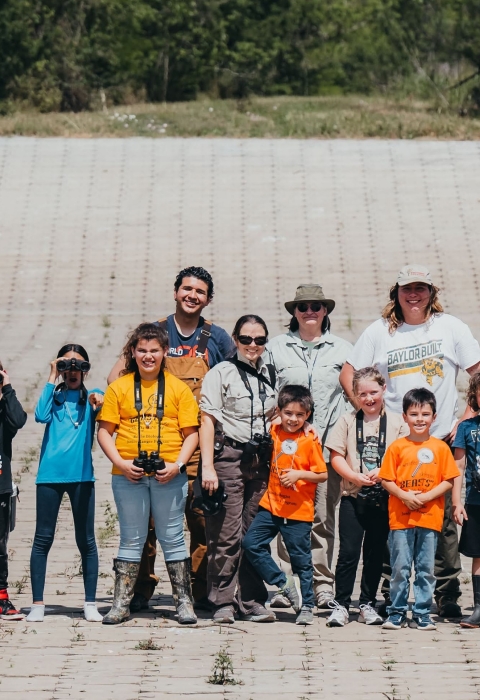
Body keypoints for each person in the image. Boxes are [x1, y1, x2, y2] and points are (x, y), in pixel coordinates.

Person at [340, 264, 480, 617]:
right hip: (396, 442)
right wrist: (369, 410)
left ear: (432, 292)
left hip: (441, 438)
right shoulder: (380, 332)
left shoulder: (450, 327)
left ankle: (446, 594)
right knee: (396, 515)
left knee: (444, 519)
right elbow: (349, 373)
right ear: (396, 293)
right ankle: (393, 592)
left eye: (421, 288)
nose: (414, 294)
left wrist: (466, 417)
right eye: (407, 288)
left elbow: (478, 370)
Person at [107, 266, 234, 611]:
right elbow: (115, 376)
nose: (193, 295)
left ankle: (195, 591)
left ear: (208, 299)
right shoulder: (154, 333)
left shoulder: (218, 338)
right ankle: (140, 589)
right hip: (154, 443)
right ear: (176, 291)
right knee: (145, 524)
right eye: (187, 289)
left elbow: (236, 383)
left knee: (200, 520)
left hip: (198, 445)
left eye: (200, 291)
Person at [98, 323, 199, 625]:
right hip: (128, 474)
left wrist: (178, 465)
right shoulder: (119, 387)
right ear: (132, 352)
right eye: (141, 350)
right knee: (132, 538)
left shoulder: (178, 388)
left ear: (164, 352)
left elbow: (191, 433)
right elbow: (104, 432)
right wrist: (122, 462)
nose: (148, 356)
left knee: (172, 537)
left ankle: (184, 603)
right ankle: (120, 602)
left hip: (169, 473)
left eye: (154, 350)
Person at [266, 284, 352, 609]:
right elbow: (267, 393)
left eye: (316, 305)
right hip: (287, 451)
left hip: (325, 449)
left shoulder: (344, 349)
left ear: (325, 310)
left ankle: (322, 586)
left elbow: (350, 397)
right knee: (287, 515)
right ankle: (286, 584)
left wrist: (342, 445)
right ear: (294, 312)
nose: (309, 311)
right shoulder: (276, 348)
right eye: (303, 307)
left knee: (322, 518)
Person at [200, 314, 277, 623]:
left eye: (259, 339)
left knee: (253, 535)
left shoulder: (272, 373)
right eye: (246, 339)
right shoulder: (221, 372)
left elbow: (278, 414)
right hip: (229, 456)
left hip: (261, 460)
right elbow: (207, 420)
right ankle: (222, 601)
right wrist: (207, 467)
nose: (252, 345)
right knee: (226, 534)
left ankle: (253, 600)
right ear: (235, 340)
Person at [325, 367, 409, 628]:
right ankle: (340, 604)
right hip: (353, 495)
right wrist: (354, 475)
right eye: (363, 394)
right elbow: (335, 456)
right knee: (348, 552)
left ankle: (367, 603)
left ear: (384, 390)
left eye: (374, 392)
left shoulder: (397, 423)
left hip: (384, 497)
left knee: (374, 553)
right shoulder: (347, 421)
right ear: (355, 395)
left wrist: (384, 473)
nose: (369, 399)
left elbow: (405, 456)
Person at [27, 345, 104, 623]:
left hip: (82, 476)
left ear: (86, 369)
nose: (73, 372)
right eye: (68, 366)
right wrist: (51, 374)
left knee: (87, 541)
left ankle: (90, 603)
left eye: (79, 366)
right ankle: (37, 603)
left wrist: (98, 399)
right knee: (42, 538)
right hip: (49, 476)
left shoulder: (91, 397)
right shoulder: (55, 395)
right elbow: (40, 415)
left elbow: (101, 401)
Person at [242, 385, 327, 626]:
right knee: (251, 543)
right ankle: (283, 583)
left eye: (300, 415)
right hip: (271, 506)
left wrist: (299, 474)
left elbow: (321, 474)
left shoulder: (310, 439)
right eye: (288, 413)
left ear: (308, 415)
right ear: (280, 412)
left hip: (298, 511)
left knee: (301, 560)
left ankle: (307, 605)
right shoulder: (273, 430)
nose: (294, 419)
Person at [379, 388, 460, 630]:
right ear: (404, 417)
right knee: (400, 568)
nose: (420, 419)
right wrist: (404, 496)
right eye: (414, 414)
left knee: (426, 569)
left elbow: (449, 479)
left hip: (429, 518)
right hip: (401, 519)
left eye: (425, 414)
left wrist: (425, 497)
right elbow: (386, 479)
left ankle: (423, 612)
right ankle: (397, 611)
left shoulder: (440, 448)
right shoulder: (397, 447)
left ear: (434, 417)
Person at [452, 372, 480, 628]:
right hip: (475, 501)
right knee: (477, 555)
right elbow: (458, 466)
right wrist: (456, 502)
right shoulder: (467, 427)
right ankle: (479, 608)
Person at [0, 360, 27, 620]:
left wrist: (7, 389)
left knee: (0, 546)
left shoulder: (4, 412)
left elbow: (19, 420)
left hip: (1, 488)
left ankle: (1, 598)